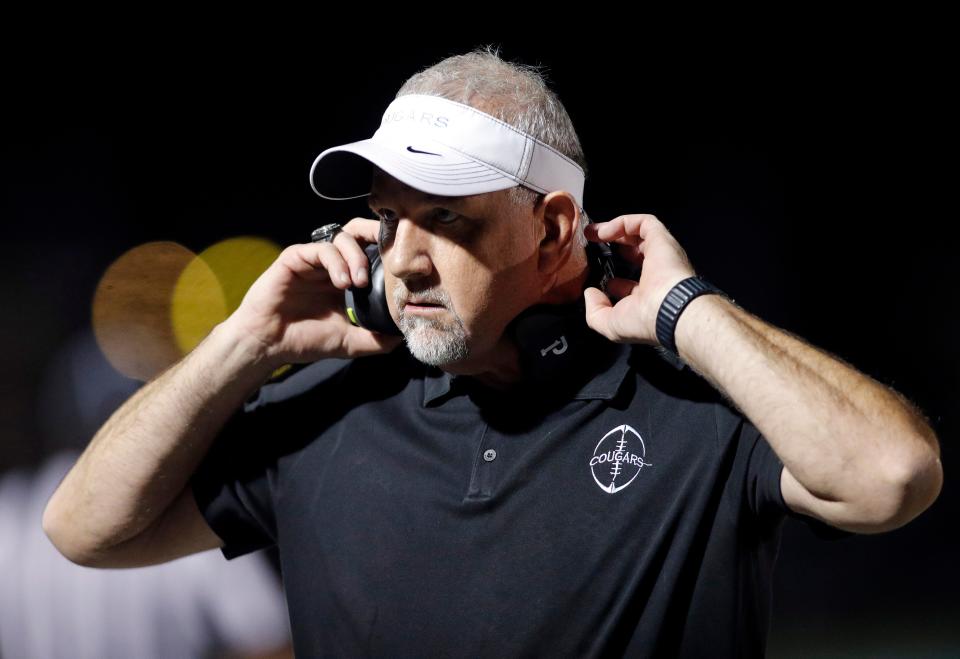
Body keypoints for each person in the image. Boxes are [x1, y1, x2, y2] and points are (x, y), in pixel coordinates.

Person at [43, 46, 943, 658]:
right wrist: (243, 344)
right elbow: (82, 530)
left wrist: (684, 308)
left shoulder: (691, 400)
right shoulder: (328, 408)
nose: (402, 259)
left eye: (445, 219)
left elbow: (893, 476)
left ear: (553, 229)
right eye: (390, 220)